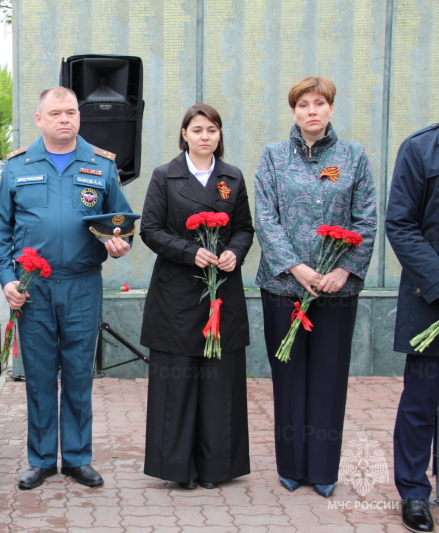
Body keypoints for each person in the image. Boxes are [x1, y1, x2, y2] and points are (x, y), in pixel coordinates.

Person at [0, 86, 133, 490]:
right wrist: (5, 278)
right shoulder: (18, 166)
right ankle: (39, 459)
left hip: (82, 285)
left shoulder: (100, 165)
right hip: (34, 288)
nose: (64, 119)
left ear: (79, 117)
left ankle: (77, 458)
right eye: (55, 113)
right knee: (37, 374)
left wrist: (120, 243)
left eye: (71, 112)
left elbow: (119, 221)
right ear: (39, 119)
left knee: (77, 374)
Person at [254, 76, 377, 497]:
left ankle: (323, 470)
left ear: (330, 109)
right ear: (293, 111)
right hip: (283, 287)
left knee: (328, 377)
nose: (311, 110)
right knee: (289, 377)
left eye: (319, 103)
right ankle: (291, 466)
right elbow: (265, 218)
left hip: (335, 291)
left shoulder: (354, 157)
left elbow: (366, 220)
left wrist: (346, 270)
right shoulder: (273, 157)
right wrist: (295, 267)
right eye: (303, 104)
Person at [140, 103, 253, 490]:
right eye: (198, 130)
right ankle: (177, 468)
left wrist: (234, 252)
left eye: (212, 130)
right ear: (184, 134)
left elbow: (244, 229)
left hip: (221, 290)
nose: (205, 136)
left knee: (220, 382)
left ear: (219, 135)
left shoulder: (232, 177)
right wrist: (190, 252)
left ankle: (217, 467)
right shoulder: (165, 176)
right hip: (177, 294)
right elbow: (150, 230)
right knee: (178, 382)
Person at [385, 124, 439, 533]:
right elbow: (401, 224)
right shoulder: (421, 148)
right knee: (422, 402)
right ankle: (415, 492)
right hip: (431, 297)